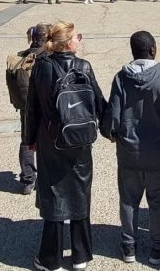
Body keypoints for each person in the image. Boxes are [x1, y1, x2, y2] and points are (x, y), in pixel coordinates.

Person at [24, 22, 106, 271]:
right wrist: (110, 130)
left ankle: (51, 258)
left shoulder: (41, 67)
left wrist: (30, 140)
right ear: (68, 43)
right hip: (80, 138)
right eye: (77, 36)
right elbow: (99, 103)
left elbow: (32, 107)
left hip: (50, 139)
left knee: (54, 195)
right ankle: (81, 255)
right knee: (80, 192)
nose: (79, 40)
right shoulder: (83, 66)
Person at [103, 31, 160, 265]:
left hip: (129, 151)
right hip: (158, 149)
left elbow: (112, 117)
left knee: (128, 199)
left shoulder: (121, 78)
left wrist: (111, 134)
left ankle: (129, 246)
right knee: (158, 200)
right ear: (153, 50)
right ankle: (158, 248)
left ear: (132, 51)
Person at [9, 23, 50, 195]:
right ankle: (45, 180)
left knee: (27, 141)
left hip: (26, 107)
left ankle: (27, 180)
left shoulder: (21, 57)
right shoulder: (49, 57)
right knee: (47, 143)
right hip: (45, 106)